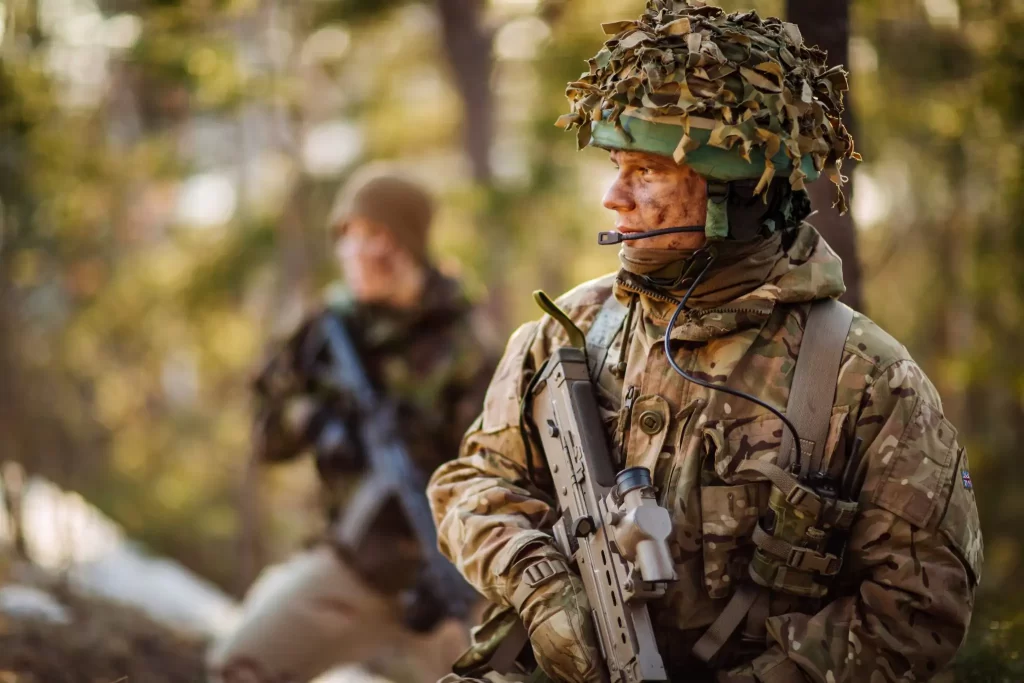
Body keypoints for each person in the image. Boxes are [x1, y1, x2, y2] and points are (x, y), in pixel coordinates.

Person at [428, 3, 983, 682]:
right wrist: (541, 587)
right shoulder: (573, 329)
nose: (614, 196)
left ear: (735, 194)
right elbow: (470, 483)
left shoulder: (864, 379)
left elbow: (919, 611)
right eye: (615, 165)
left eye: (647, 172)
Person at [208, 165, 495, 683]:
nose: (359, 252)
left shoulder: (466, 346)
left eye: (377, 237)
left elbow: (502, 474)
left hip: (452, 573)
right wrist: (318, 420)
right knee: (240, 666)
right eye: (350, 236)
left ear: (410, 244)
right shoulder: (325, 330)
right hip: (357, 566)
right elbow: (264, 432)